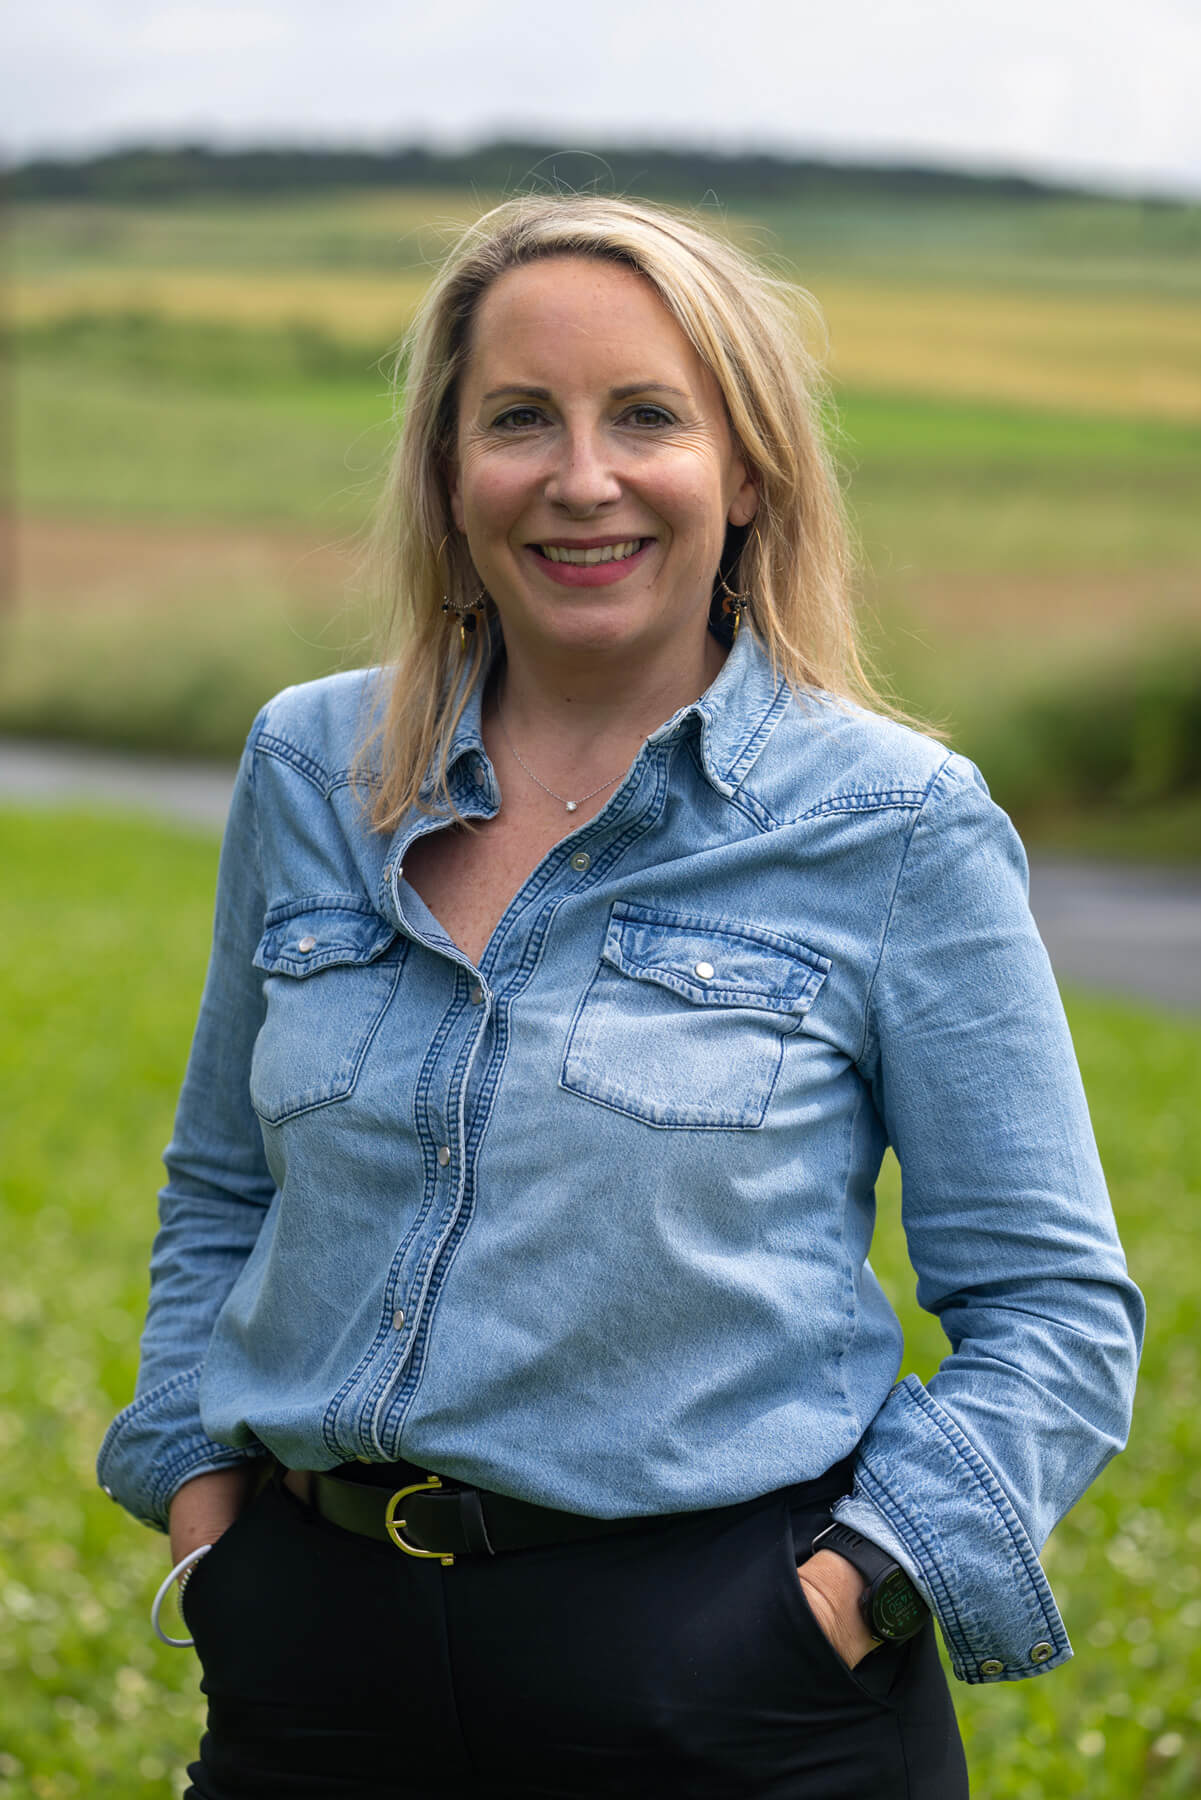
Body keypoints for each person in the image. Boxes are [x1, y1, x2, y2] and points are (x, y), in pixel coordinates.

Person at [98, 194, 1143, 1800]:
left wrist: (832, 1604)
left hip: (729, 1687)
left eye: (645, 416)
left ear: (747, 471)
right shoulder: (310, 766)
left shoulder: (893, 824)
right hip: (314, 1667)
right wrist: (203, 1507)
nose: (579, 478)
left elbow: (1051, 1312)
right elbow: (221, 1193)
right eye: (519, 419)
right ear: (451, 478)